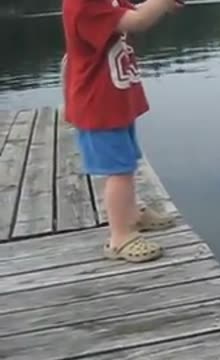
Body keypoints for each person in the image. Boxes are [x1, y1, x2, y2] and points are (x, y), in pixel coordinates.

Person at [61, 0, 183, 262]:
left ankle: (132, 215)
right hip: (98, 106)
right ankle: (120, 237)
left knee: (126, 163)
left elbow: (136, 13)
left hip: (114, 102)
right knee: (118, 171)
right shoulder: (84, 4)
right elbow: (137, 22)